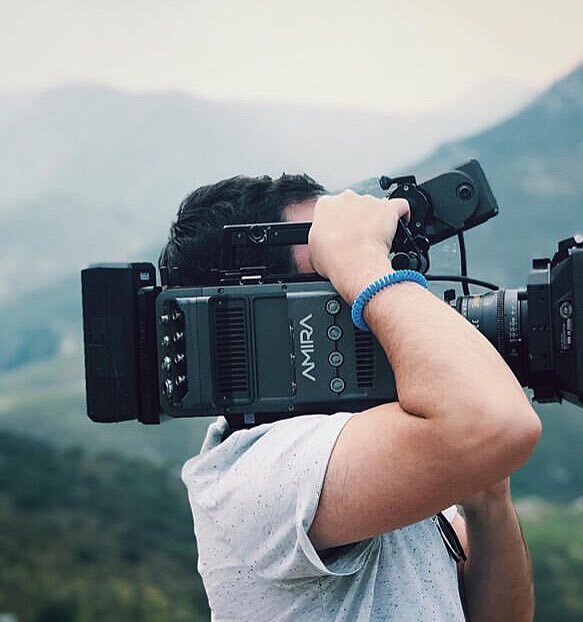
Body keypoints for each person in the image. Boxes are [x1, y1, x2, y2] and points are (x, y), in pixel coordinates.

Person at [161, 173, 543, 622]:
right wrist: (364, 262)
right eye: (330, 268)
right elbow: (498, 423)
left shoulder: (373, 440)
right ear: (257, 315)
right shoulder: (258, 472)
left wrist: (488, 502)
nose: (351, 287)